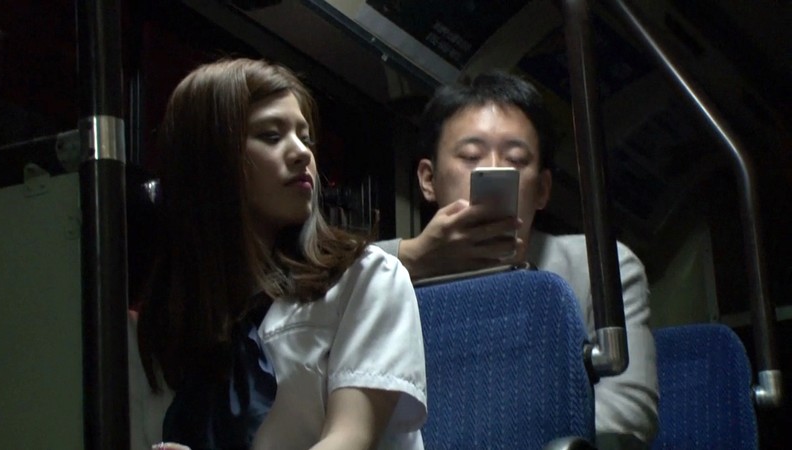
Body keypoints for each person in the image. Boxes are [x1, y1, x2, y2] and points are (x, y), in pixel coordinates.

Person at [130, 58, 427, 450]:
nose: (302, 153)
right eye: (271, 136)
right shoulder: (161, 328)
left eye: (306, 138)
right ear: (210, 159)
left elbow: (351, 438)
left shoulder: (367, 279)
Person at [375, 70, 658, 448]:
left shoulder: (601, 268)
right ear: (428, 179)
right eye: (471, 156)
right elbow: (316, 281)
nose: (495, 170)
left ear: (542, 189)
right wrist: (415, 258)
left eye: (517, 159)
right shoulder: (392, 276)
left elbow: (628, 410)